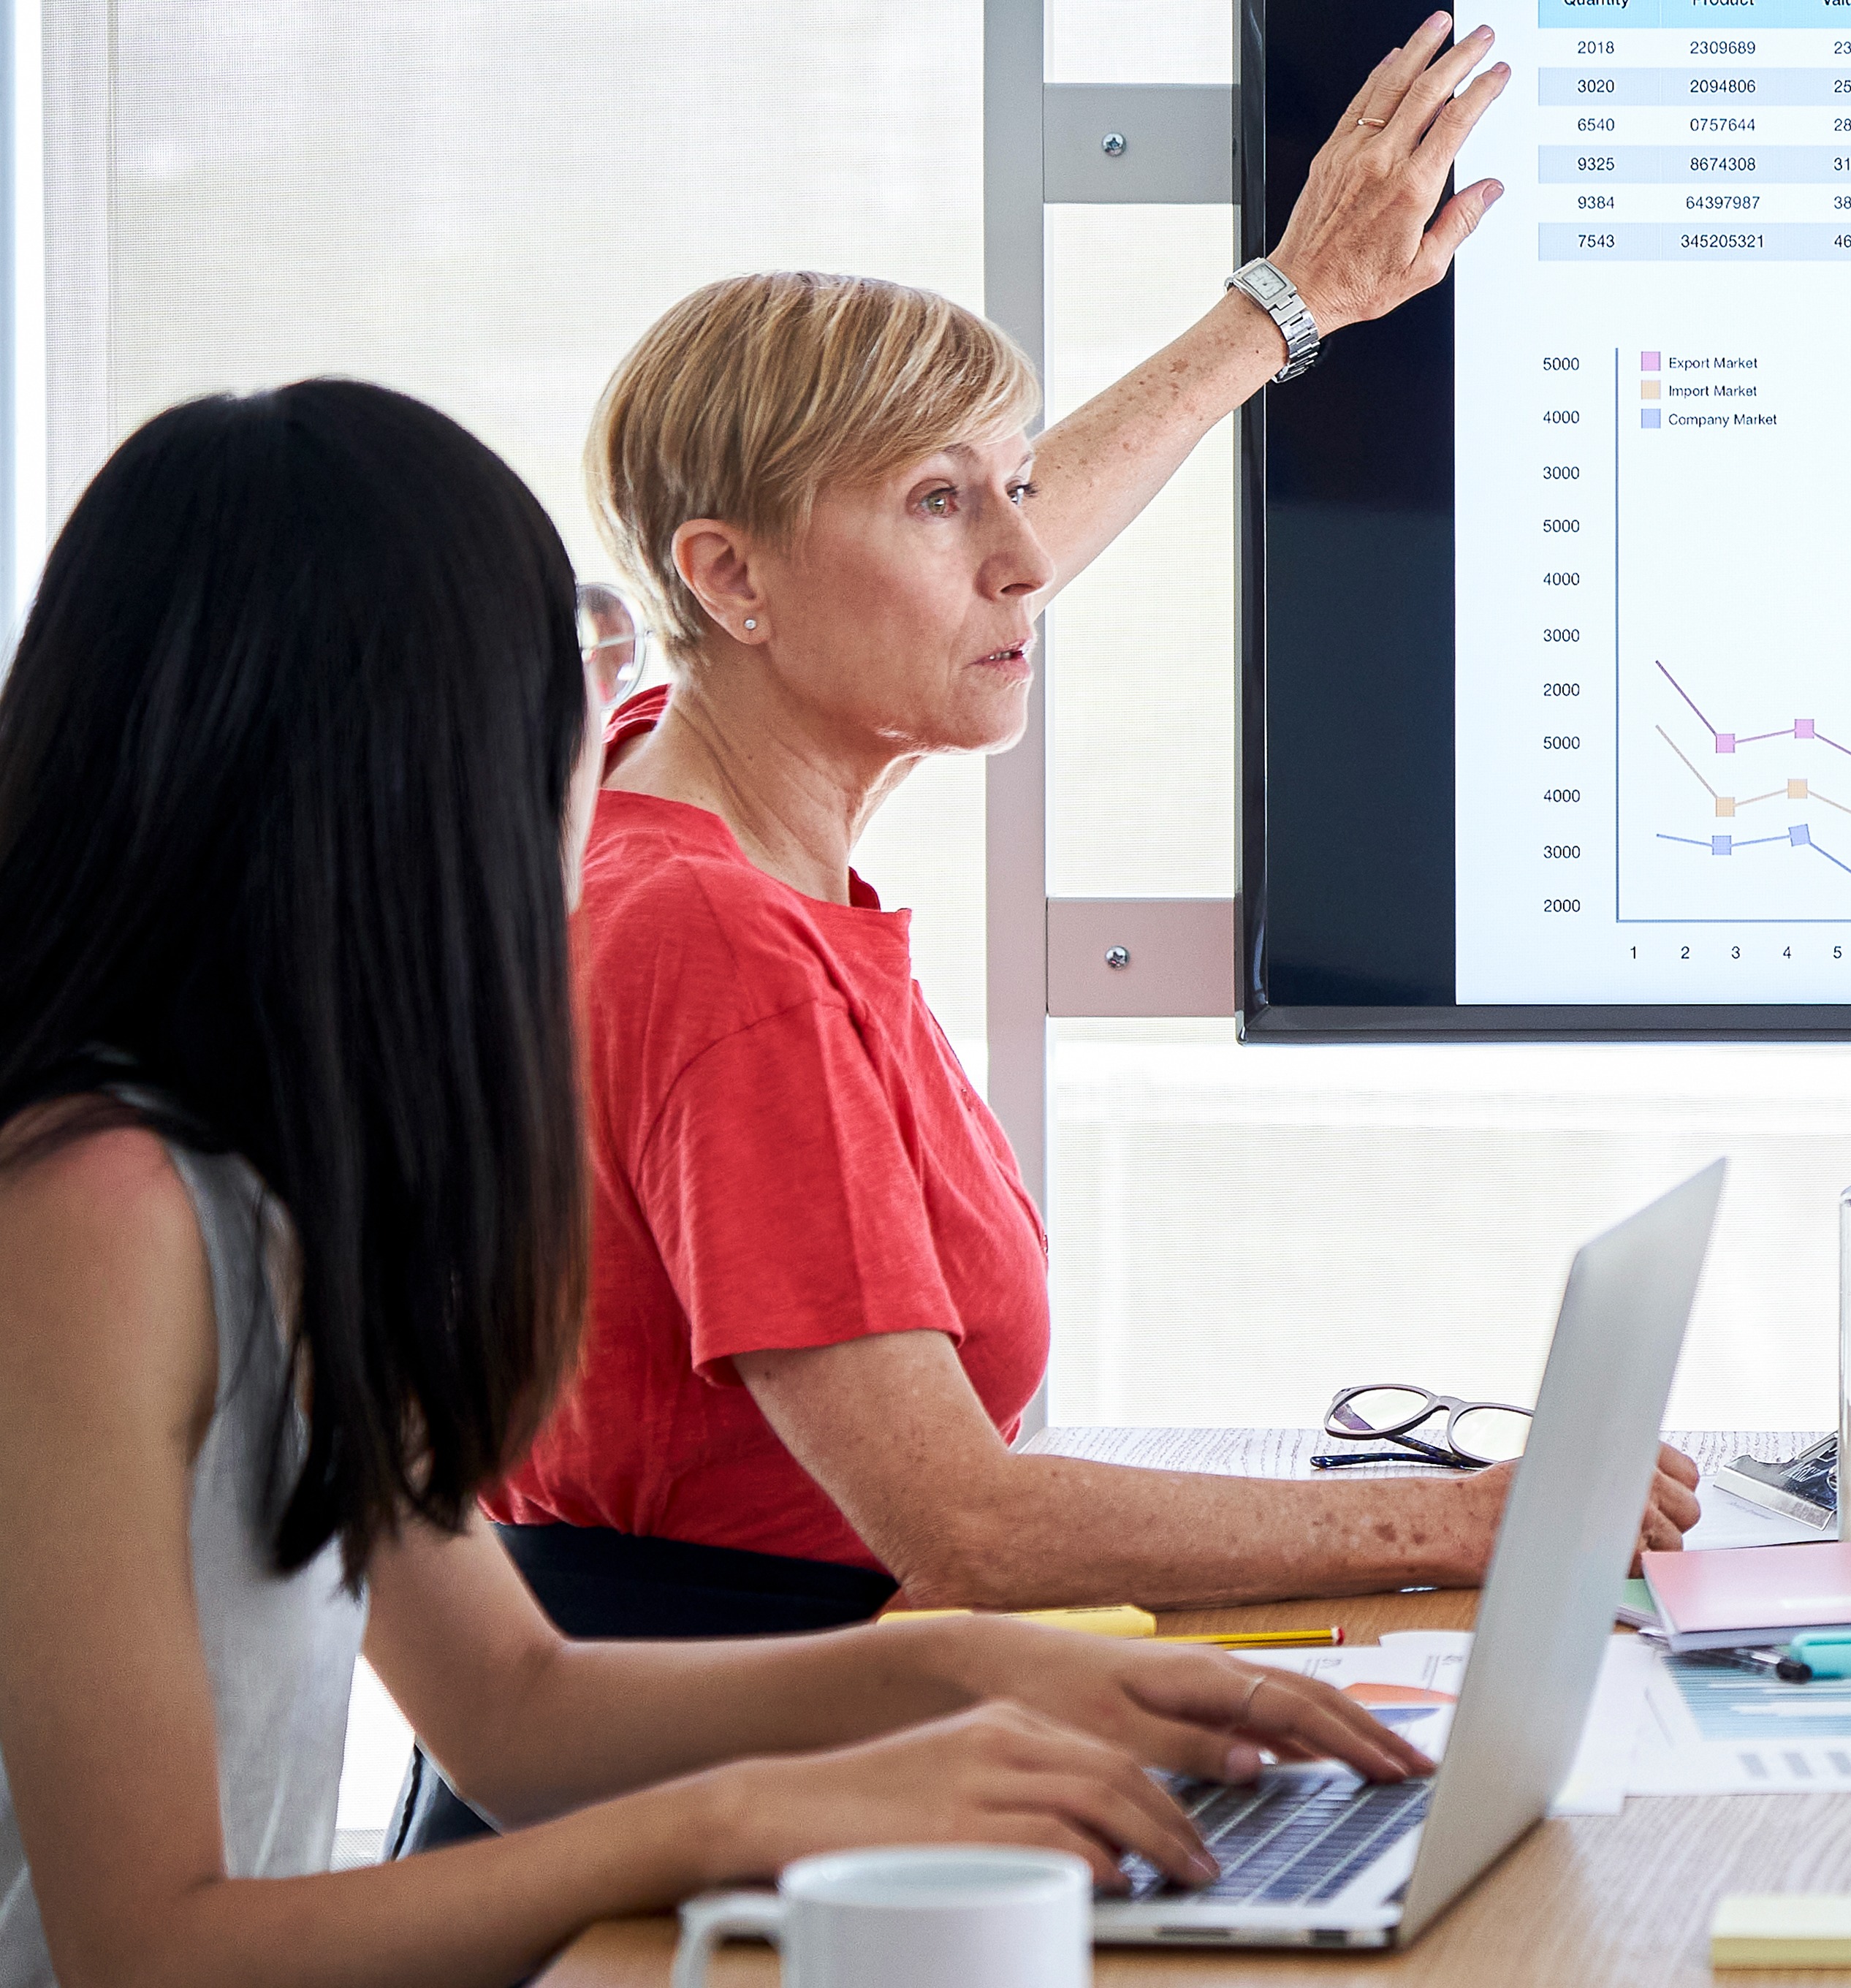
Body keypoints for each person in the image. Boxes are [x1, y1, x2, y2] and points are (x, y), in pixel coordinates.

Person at [0, 379, 1424, 1988]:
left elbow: (516, 1707)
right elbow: (142, 1949)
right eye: (558, 713)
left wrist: (976, 1675)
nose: (584, 785)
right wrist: (732, 1815)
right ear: (405, 780)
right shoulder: (96, 1211)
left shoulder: (281, 1169)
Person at [485, 15, 1700, 1636]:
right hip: (717, 1801)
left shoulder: (691, 780)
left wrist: (1296, 303)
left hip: (812, 1724)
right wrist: (1480, 1518)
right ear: (727, 577)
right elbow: (969, 1526)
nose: (1024, 556)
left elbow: (1020, 533)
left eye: (1006, 486)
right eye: (940, 500)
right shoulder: (718, 944)